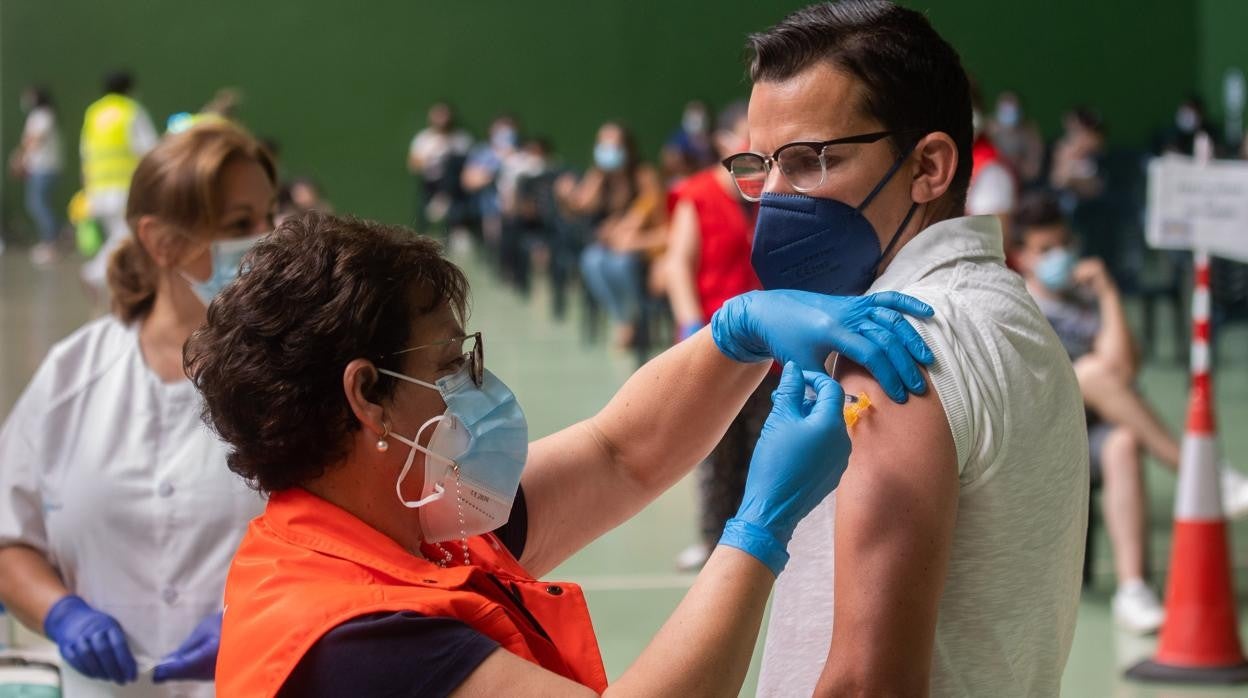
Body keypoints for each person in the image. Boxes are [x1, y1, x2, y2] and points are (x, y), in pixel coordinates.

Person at [189, 211, 938, 696]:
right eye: (449, 362)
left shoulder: (404, 532)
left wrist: (736, 335)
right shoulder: (363, 641)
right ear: (367, 394)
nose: (474, 384)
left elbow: (620, 457)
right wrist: (760, 526)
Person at [722, 3, 1088, 695]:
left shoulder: (894, 344)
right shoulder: (1011, 311)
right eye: (760, 165)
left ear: (928, 167)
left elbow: (868, 684)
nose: (772, 195)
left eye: (808, 162)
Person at [0, 123, 274, 696]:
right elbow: (11, 539)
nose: (266, 239)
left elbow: (352, 538)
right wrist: (62, 614)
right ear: (161, 241)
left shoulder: (291, 377)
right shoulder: (72, 375)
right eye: (239, 224)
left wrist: (261, 615)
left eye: (268, 217)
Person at [1012, 193, 1248, 633]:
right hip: (1038, 434)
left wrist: (1106, 292)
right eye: (1046, 250)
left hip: (1089, 434)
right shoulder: (1019, 303)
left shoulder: (1083, 304)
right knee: (1091, 374)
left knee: (1122, 441)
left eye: (1063, 244)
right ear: (1023, 256)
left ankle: (1133, 589)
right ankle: (1205, 474)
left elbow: (1125, 366)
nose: (1058, 256)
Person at [665, 101, 769, 570]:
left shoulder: (778, 193)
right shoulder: (696, 195)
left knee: (766, 444)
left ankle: (759, 545)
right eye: (746, 136)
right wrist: (690, 327)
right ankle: (712, 542)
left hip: (773, 345)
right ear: (726, 143)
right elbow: (678, 266)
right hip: (716, 343)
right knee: (715, 449)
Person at [559, 122, 666, 348]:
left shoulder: (643, 174)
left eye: (613, 144)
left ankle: (635, 319)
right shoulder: (598, 175)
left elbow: (645, 211)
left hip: (639, 246)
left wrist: (621, 228)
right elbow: (580, 205)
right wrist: (567, 196)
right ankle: (623, 319)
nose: (607, 150)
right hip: (610, 244)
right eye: (603, 144)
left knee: (621, 265)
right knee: (592, 260)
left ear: (627, 147)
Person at [79, 70, 159, 297]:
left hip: (97, 187)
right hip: (125, 186)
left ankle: (114, 279)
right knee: (126, 234)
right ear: (129, 88)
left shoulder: (94, 112)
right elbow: (149, 149)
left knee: (118, 234)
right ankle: (94, 273)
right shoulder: (130, 111)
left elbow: (85, 151)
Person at [10, 85, 64, 266]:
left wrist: (20, 158)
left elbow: (35, 139)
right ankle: (58, 235)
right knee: (37, 204)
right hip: (38, 168)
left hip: (45, 168)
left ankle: (52, 242)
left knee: (38, 204)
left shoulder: (43, 115)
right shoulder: (37, 116)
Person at [408, 102, 473, 242]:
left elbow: (468, 165)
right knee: (424, 218)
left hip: (455, 187)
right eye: (438, 115)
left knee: (455, 218)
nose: (441, 119)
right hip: (430, 184)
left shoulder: (461, 139)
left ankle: (454, 239)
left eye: (444, 115)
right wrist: (430, 156)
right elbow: (413, 164)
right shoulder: (424, 139)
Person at [987, 90, 1045, 186]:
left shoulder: (1030, 133)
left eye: (1012, 108)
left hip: (1021, 188)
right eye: (1005, 109)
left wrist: (1012, 163)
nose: (1008, 113)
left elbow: (1032, 172)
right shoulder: (988, 129)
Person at [660, 100, 716, 185]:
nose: (694, 119)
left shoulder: (714, 140)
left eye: (698, 114)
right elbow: (667, 158)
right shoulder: (679, 137)